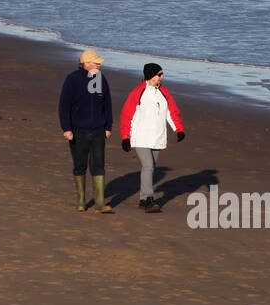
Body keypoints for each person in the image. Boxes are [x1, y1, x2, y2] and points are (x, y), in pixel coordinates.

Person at [119, 63, 186, 213]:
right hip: (141, 136)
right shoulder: (137, 92)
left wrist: (178, 130)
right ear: (151, 75)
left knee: (150, 167)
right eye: (159, 74)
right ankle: (149, 199)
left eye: (162, 74)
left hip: (157, 136)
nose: (162, 77)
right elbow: (127, 116)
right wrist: (125, 137)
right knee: (148, 166)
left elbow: (172, 112)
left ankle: (143, 199)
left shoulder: (164, 92)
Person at [58, 49, 115, 213]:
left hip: (98, 130)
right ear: (86, 64)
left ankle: (99, 204)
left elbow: (107, 104)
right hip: (77, 131)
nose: (99, 64)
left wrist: (108, 127)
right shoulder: (72, 79)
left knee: (98, 165)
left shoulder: (100, 78)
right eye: (97, 62)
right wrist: (67, 128)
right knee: (79, 165)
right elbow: (64, 106)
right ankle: (81, 202)